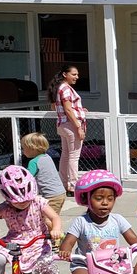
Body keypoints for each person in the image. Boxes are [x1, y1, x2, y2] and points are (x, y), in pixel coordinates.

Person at [57, 170, 137, 274]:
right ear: (87, 199)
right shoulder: (81, 222)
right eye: (99, 198)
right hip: (85, 263)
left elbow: (134, 239)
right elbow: (68, 243)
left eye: (110, 199)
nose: (105, 203)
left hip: (111, 265)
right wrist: (65, 251)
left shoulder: (117, 220)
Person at [47, 64, 86, 195]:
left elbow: (59, 107)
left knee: (65, 155)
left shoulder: (59, 88)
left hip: (62, 125)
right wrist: (78, 127)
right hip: (70, 125)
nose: (77, 77)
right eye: (74, 74)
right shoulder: (66, 89)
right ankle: (73, 185)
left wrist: (80, 109)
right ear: (65, 74)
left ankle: (64, 183)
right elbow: (68, 109)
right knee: (74, 156)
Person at [21, 132, 67, 215]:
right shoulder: (47, 157)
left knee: (47, 219)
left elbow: (26, 179)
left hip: (51, 196)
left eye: (24, 148)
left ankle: (56, 228)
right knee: (53, 217)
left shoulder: (33, 162)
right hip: (60, 193)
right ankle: (55, 227)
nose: (23, 151)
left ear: (32, 148)